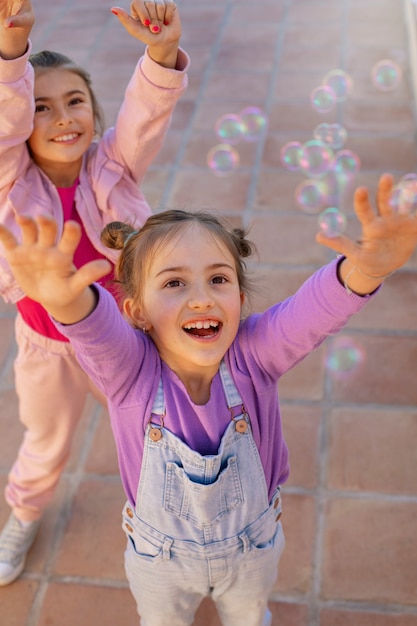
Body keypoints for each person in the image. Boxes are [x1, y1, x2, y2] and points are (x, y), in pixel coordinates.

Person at [1, 174, 417, 625]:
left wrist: (366, 270)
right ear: (137, 310)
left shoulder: (255, 354)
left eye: (217, 279)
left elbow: (311, 312)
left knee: (249, 617)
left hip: (252, 549)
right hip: (159, 559)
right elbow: (96, 333)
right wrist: (65, 303)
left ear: (239, 298)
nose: (201, 298)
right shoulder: (130, 372)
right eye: (174, 283)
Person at [0, 0, 188, 585]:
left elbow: (142, 117)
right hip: (47, 347)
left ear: (93, 114)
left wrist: (160, 51)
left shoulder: (113, 165)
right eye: (42, 107)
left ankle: (175, 512)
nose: (63, 117)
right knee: (47, 441)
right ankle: (23, 514)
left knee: (155, 426)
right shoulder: (9, 181)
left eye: (75, 101)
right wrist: (10, 53)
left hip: (121, 341)